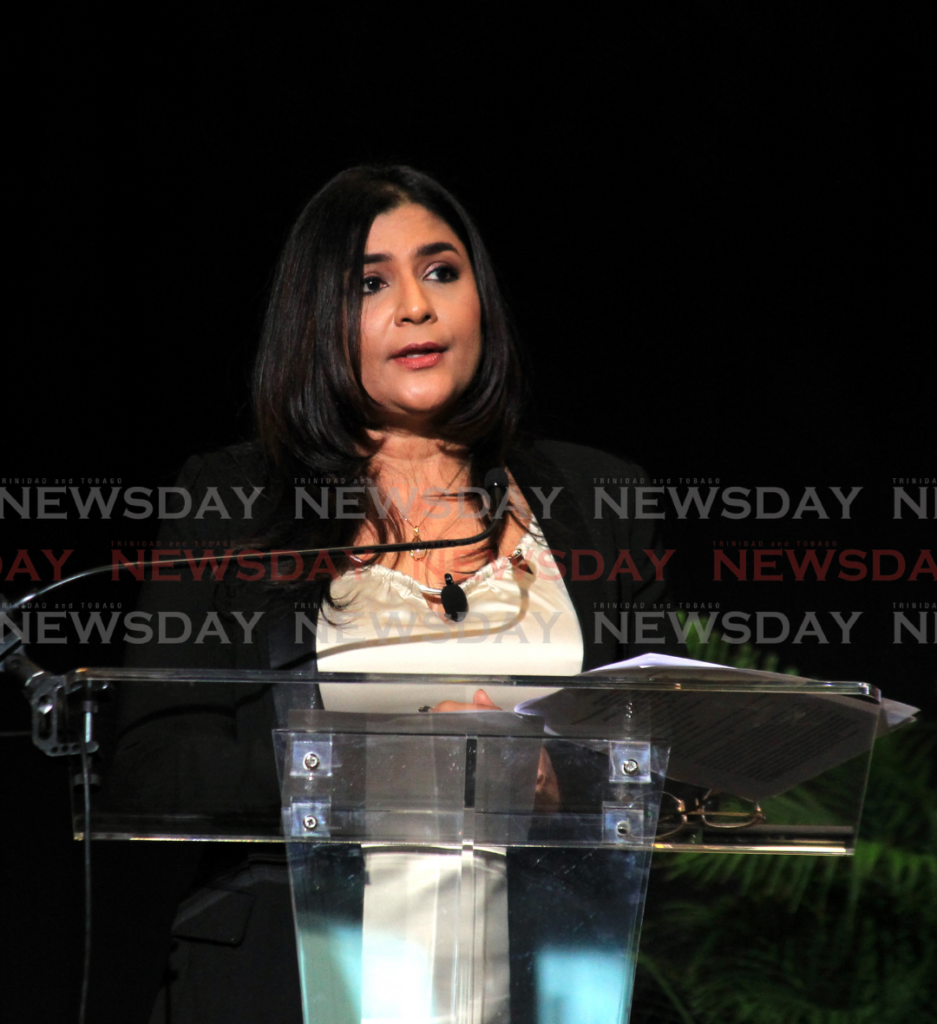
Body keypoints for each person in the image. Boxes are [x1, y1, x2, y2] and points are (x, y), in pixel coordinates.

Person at [102, 165, 679, 1022]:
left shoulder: (597, 499)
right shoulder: (231, 501)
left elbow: (665, 758)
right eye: (371, 284)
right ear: (315, 320)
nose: (416, 306)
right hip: (289, 985)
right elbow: (156, 770)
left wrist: (568, 779)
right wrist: (395, 766)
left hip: (549, 979)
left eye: (441, 271)